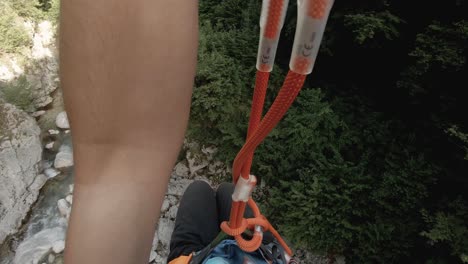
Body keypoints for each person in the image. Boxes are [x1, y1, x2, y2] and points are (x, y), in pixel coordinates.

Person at [60, 0, 291, 263]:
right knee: (226, 193)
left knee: (199, 191)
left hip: (199, 257)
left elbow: (119, 165)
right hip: (255, 253)